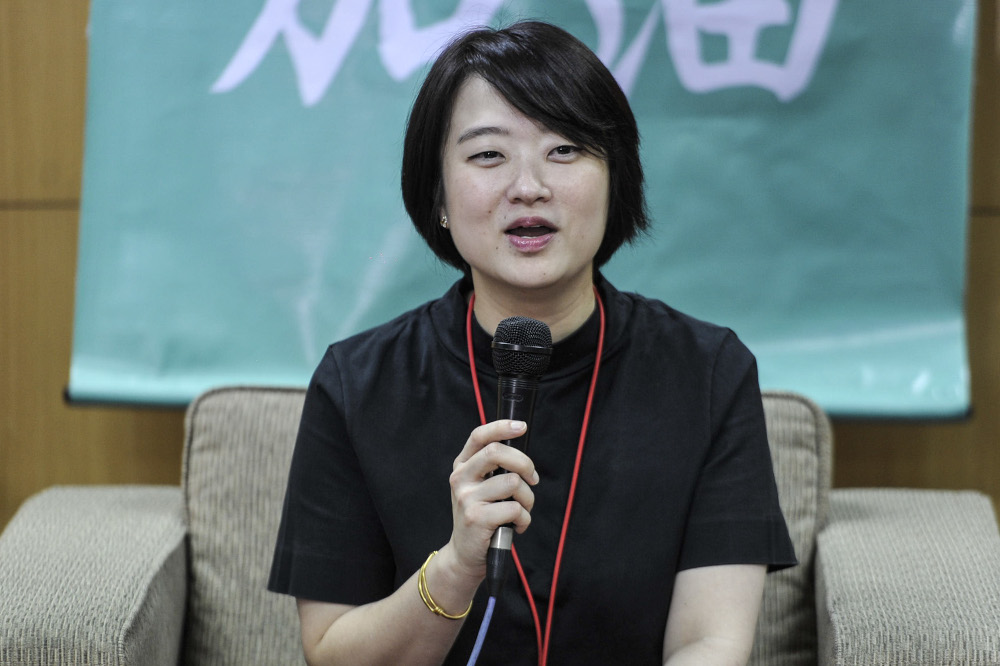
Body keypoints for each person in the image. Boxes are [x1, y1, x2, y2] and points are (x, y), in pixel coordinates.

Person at [267, 20, 796, 666]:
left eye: (565, 149)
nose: (529, 186)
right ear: (437, 195)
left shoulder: (708, 374)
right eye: (489, 154)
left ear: (616, 180)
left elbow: (708, 644)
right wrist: (456, 565)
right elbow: (331, 653)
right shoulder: (358, 383)